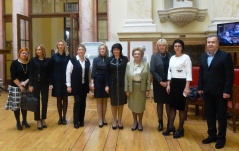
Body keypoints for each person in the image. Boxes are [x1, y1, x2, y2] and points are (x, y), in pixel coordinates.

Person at [198, 35, 234, 149]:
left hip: (220, 92)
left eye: (213, 42)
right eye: (208, 42)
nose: (210, 44)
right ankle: (212, 135)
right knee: (210, 115)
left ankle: (221, 138)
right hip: (207, 91)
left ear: (218, 44)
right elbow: (201, 73)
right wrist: (200, 87)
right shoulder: (203, 56)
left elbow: (229, 75)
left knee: (221, 116)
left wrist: (227, 91)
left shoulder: (225, 56)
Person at [162, 39, 192, 138]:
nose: (177, 47)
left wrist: (187, 87)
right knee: (172, 106)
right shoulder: (172, 58)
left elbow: (189, 73)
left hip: (182, 83)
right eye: (175, 46)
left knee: (181, 108)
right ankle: (171, 127)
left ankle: (180, 129)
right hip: (173, 83)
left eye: (179, 46)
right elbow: (170, 72)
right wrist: (169, 85)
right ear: (173, 47)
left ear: (182, 47)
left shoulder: (186, 58)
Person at [125, 47, 150, 131]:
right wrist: (126, 89)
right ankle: (135, 121)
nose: (137, 55)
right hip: (132, 88)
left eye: (139, 54)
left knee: (140, 106)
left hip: (142, 88)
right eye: (135, 54)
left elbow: (149, 78)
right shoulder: (129, 64)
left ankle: (140, 122)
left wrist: (148, 89)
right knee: (133, 105)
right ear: (133, 55)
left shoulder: (146, 64)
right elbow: (126, 78)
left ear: (141, 55)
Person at [5, 47, 31, 130]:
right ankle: (18, 122)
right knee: (16, 106)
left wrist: (25, 83)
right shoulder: (15, 63)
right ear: (19, 54)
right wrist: (20, 85)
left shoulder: (29, 63)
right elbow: (13, 76)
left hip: (26, 86)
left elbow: (31, 75)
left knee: (25, 105)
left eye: (26, 53)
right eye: (22, 53)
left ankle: (24, 121)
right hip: (16, 87)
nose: (24, 55)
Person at [66, 44, 91, 129]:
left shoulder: (87, 61)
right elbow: (68, 73)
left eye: (82, 49)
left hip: (84, 85)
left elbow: (89, 74)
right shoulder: (72, 60)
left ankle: (82, 120)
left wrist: (90, 84)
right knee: (77, 102)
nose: (81, 51)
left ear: (84, 51)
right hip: (76, 85)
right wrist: (68, 85)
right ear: (77, 51)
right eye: (79, 49)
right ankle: (76, 121)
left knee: (83, 103)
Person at [150, 38, 172, 131]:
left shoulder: (171, 56)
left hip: (169, 83)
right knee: (159, 103)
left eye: (163, 45)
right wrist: (160, 81)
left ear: (166, 46)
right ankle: (160, 122)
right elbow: (152, 70)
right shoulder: (154, 56)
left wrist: (168, 81)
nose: (162, 47)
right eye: (160, 45)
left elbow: (172, 69)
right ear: (157, 47)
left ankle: (169, 123)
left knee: (168, 103)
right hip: (158, 83)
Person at [105, 43, 128, 130]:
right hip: (112, 84)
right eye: (114, 49)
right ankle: (114, 120)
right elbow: (106, 73)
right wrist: (107, 85)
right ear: (112, 50)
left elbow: (127, 72)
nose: (116, 51)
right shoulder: (109, 59)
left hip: (122, 83)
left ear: (120, 50)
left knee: (121, 102)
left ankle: (120, 120)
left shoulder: (125, 59)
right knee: (114, 103)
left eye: (118, 49)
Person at [29, 44, 51, 130]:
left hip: (45, 83)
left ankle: (43, 119)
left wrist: (51, 83)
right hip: (35, 83)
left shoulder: (47, 60)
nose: (38, 51)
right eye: (37, 50)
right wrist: (30, 85)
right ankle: (38, 120)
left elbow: (50, 73)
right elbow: (30, 73)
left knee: (45, 101)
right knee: (36, 102)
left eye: (40, 49)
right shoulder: (33, 60)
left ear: (43, 51)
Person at [49, 40, 71, 125]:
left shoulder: (68, 56)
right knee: (58, 99)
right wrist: (51, 82)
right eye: (59, 45)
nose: (61, 46)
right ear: (57, 46)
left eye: (62, 45)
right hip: (56, 80)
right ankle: (60, 117)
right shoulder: (53, 56)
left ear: (64, 46)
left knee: (65, 98)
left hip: (66, 80)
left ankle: (64, 117)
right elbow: (51, 70)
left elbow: (70, 69)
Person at [91, 43, 109, 128]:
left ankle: (104, 118)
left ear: (106, 50)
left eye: (103, 49)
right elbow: (93, 72)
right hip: (98, 80)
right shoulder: (95, 59)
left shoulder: (109, 59)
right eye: (101, 49)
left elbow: (109, 72)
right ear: (99, 50)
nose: (102, 50)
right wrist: (92, 83)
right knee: (99, 100)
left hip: (106, 80)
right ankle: (100, 119)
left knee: (105, 100)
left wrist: (108, 84)